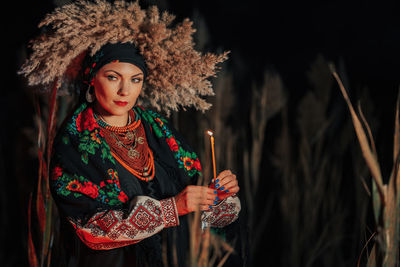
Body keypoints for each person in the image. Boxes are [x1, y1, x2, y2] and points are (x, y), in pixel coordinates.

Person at [19, 1, 241, 266]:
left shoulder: (158, 129)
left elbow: (201, 220)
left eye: (135, 79)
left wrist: (218, 199)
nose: (125, 90)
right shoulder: (75, 142)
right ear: (92, 78)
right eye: (113, 77)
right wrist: (172, 208)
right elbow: (92, 229)